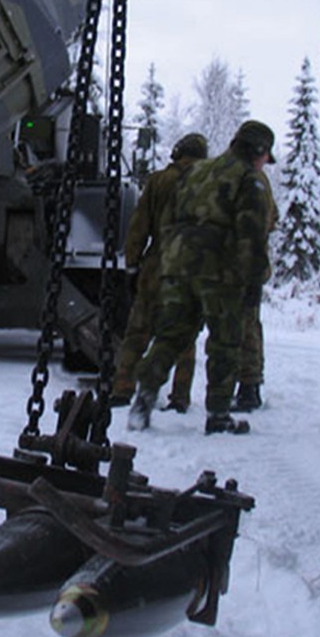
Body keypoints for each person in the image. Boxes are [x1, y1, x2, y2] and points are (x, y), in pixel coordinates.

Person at [127, 120, 276, 434]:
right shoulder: (249, 180)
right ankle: (218, 414)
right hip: (219, 272)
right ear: (258, 151)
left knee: (171, 336)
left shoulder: (197, 171)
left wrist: (168, 261)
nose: (266, 163)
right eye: (266, 157)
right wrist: (253, 281)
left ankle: (143, 399)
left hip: (178, 266)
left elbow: (171, 218)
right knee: (224, 342)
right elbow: (252, 235)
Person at [112, 133, 209, 410]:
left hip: (156, 268)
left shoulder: (157, 181)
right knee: (185, 337)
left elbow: (138, 227)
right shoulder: (207, 184)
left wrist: (132, 264)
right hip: (191, 269)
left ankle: (123, 388)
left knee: (137, 332)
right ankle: (179, 397)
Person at [231, 169, 278, 412]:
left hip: (246, 267)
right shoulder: (260, 181)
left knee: (246, 326)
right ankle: (248, 387)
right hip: (252, 266)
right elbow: (273, 219)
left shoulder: (250, 181)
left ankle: (249, 389)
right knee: (250, 325)